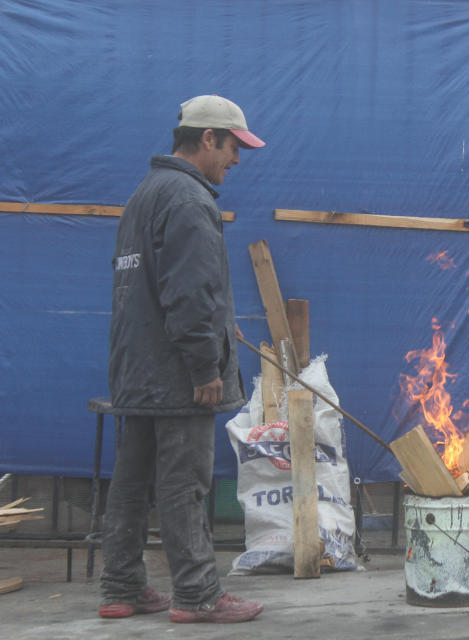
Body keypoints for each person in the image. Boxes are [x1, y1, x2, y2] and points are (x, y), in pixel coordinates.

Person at [99, 95, 266, 623]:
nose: (236, 160)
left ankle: (121, 588)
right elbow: (188, 291)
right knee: (185, 483)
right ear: (208, 138)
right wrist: (204, 365)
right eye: (233, 147)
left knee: (131, 481)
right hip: (178, 375)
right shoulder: (190, 200)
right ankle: (197, 594)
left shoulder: (144, 195)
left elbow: (152, 285)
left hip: (138, 368)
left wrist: (215, 325)